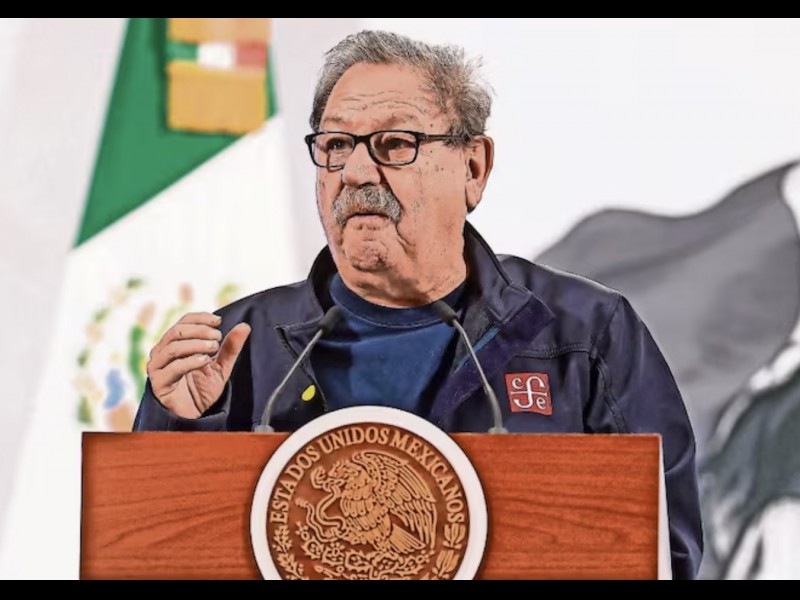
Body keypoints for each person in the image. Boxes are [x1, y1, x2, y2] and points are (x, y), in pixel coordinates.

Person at [133, 29, 703, 579]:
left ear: (473, 168)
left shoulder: (585, 332)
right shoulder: (233, 346)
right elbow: (147, 550)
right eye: (335, 146)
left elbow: (664, 553)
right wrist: (178, 423)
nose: (356, 172)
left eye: (395, 144)